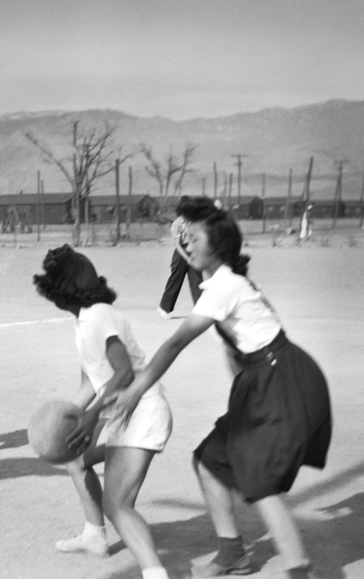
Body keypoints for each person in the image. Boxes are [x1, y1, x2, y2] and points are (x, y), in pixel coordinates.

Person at [112, 197, 331, 579]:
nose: (189, 245)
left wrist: (135, 389)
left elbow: (175, 343)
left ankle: (301, 571)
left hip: (283, 379)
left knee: (259, 481)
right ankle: (232, 552)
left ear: (219, 246)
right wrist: (185, 234)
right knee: (212, 460)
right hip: (261, 380)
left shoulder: (224, 287)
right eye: (187, 239)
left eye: (196, 238)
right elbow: (236, 350)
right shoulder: (219, 280)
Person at [33, 245, 173, 579]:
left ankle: (155, 573)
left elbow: (123, 373)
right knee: (76, 460)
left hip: (143, 412)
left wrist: (92, 415)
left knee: (118, 504)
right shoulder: (85, 320)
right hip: (126, 415)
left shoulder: (97, 315)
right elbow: (91, 384)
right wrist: (55, 424)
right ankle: (95, 536)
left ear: (61, 288)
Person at [157, 196, 202, 318]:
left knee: (197, 279)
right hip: (180, 253)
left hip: (192, 251)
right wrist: (187, 258)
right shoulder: (177, 223)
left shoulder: (194, 222)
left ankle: (200, 309)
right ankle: (164, 308)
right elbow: (177, 244)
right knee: (176, 280)